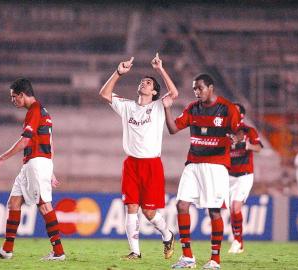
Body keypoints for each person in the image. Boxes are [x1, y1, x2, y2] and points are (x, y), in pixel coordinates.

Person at [98, 53, 178, 260]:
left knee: (149, 213)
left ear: (154, 91)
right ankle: (135, 252)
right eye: (143, 81)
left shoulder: (159, 106)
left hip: (152, 165)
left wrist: (160, 69)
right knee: (131, 208)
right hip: (131, 164)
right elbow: (105, 94)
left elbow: (174, 93)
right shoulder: (127, 106)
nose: (144, 83)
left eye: (149, 82)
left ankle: (168, 235)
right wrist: (118, 72)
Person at [163, 74, 240, 269]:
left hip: (216, 165)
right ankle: (187, 257)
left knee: (214, 211)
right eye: (194, 89)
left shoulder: (227, 108)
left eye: (200, 88)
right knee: (181, 205)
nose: (197, 92)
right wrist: (167, 108)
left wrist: (235, 138)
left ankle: (215, 260)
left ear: (211, 88)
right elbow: (173, 129)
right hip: (193, 163)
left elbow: (238, 131)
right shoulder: (192, 108)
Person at [0, 78, 65, 261]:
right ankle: (6, 250)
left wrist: (0, 159)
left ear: (22, 94)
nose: (13, 100)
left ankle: (58, 252)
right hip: (32, 164)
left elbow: (25, 140)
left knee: (44, 205)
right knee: (14, 203)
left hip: (36, 164)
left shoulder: (35, 110)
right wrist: (51, 170)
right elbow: (50, 143)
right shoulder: (42, 111)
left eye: (14, 97)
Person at [227, 103, 262, 254]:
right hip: (228, 175)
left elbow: (259, 148)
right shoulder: (224, 131)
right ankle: (237, 239)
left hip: (245, 174)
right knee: (231, 210)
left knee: (236, 207)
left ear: (241, 115)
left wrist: (247, 145)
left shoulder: (249, 130)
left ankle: (238, 241)